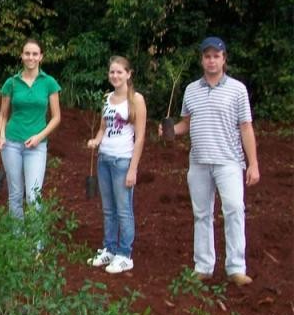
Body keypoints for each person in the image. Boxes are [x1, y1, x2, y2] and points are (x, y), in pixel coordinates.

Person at [158, 36, 259, 287]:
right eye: (207, 56)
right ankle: (203, 266)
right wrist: (170, 131)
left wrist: (253, 163)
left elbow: (246, 127)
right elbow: (186, 123)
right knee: (202, 214)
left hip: (229, 161)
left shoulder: (237, 89)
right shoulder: (192, 89)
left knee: (234, 210)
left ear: (224, 59)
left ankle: (236, 268)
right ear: (202, 60)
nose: (211, 60)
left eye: (216, 56)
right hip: (199, 162)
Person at [87, 56, 147, 274]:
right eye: (112, 72)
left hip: (123, 160)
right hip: (104, 159)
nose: (115, 76)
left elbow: (140, 137)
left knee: (124, 210)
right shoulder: (107, 98)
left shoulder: (136, 100)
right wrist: (96, 140)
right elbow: (103, 128)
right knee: (108, 208)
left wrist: (133, 168)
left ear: (128, 74)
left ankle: (125, 254)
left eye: (119, 72)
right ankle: (109, 248)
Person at [0, 38, 61, 223]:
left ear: (41, 57)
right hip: (11, 144)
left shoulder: (49, 83)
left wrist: (39, 137)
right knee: (15, 195)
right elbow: (2, 115)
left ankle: (35, 246)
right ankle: (17, 245)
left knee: (33, 196)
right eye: (27, 53)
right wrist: (1, 136)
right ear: (21, 56)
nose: (30, 57)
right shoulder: (12, 83)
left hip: (36, 146)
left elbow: (56, 117)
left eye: (34, 54)